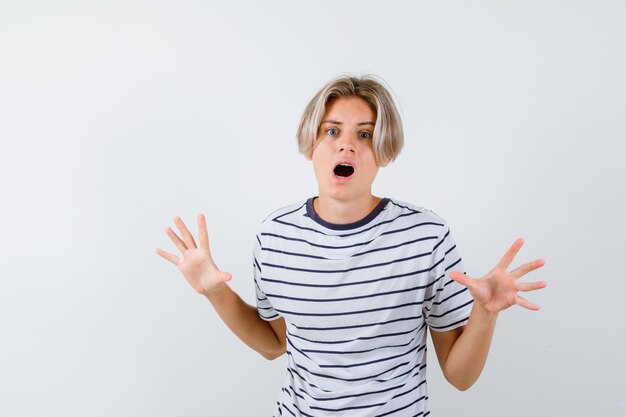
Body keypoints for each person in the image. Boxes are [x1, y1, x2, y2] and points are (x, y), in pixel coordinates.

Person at [155, 75, 547, 416]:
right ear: (311, 145)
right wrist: (215, 292)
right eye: (332, 131)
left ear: (384, 150)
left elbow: (460, 377)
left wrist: (485, 313)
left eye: (364, 134)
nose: (346, 146)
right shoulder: (274, 237)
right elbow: (274, 343)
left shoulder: (426, 236)